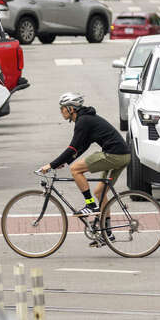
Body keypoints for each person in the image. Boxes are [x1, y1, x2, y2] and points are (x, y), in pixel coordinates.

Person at [36, 93, 131, 245]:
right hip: (122, 155)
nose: (61, 111)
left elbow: (72, 147)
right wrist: (66, 161)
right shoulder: (85, 119)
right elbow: (83, 145)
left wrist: (52, 164)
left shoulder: (83, 121)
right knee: (100, 192)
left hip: (114, 155)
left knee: (76, 170)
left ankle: (90, 205)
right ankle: (108, 235)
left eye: (63, 109)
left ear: (71, 109)